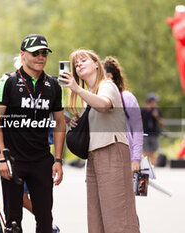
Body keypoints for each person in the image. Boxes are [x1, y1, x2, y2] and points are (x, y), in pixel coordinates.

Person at [0, 33, 66, 233]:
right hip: (13, 160)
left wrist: (58, 159)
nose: (40, 57)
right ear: (23, 55)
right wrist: (0, 157)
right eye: (35, 53)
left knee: (44, 218)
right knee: (13, 222)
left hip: (41, 160)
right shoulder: (7, 81)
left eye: (44, 53)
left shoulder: (53, 85)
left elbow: (60, 123)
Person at [59, 49, 139, 233]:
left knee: (118, 218)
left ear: (97, 64)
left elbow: (104, 105)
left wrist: (76, 88)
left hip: (112, 152)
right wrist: (73, 123)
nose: (78, 64)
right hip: (95, 156)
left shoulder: (107, 84)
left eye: (83, 60)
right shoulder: (89, 95)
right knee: (97, 219)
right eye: (75, 63)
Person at [103, 56, 144, 173]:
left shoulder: (126, 98)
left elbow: (137, 129)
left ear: (109, 76)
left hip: (125, 158)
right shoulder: (93, 99)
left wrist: (135, 159)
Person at [141, 92, 163, 166]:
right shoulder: (143, 110)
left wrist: (156, 116)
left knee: (153, 153)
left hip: (154, 134)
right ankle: (145, 168)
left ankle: (153, 168)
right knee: (145, 152)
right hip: (145, 134)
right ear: (151, 101)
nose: (156, 103)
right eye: (155, 101)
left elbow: (162, 123)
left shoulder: (157, 110)